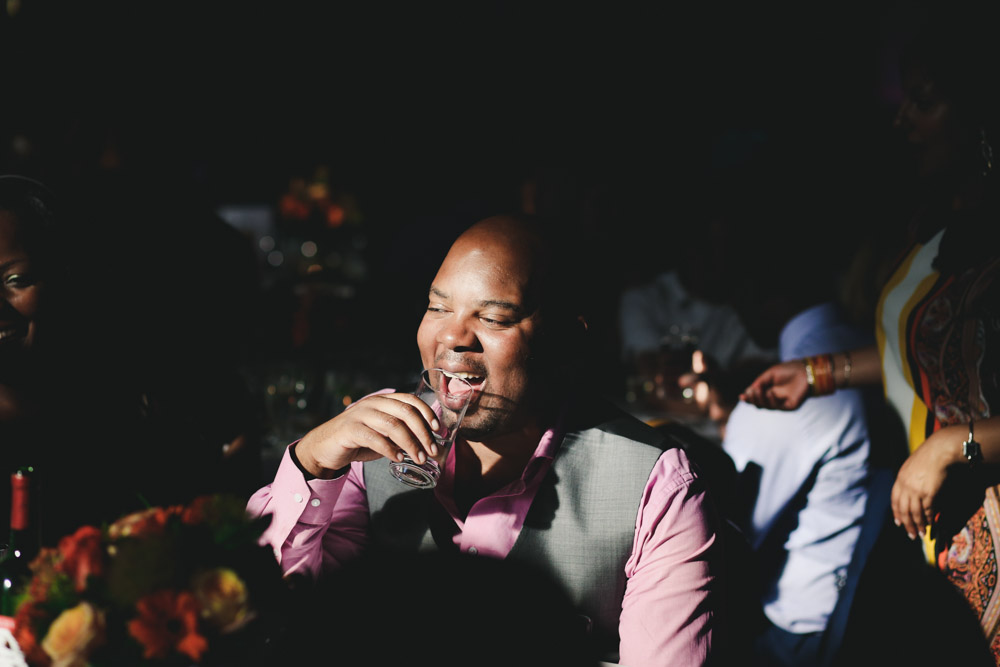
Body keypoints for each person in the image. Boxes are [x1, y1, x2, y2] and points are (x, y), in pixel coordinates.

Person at [247, 213, 726, 666]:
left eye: (494, 318)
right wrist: (311, 463)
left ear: (566, 338)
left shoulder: (656, 485)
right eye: (438, 307)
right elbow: (268, 617)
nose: (453, 336)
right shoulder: (372, 440)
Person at [740, 5, 1000, 662]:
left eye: (926, 101)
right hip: (936, 526)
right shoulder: (939, 229)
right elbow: (917, 356)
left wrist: (950, 446)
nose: (901, 119)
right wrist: (818, 373)